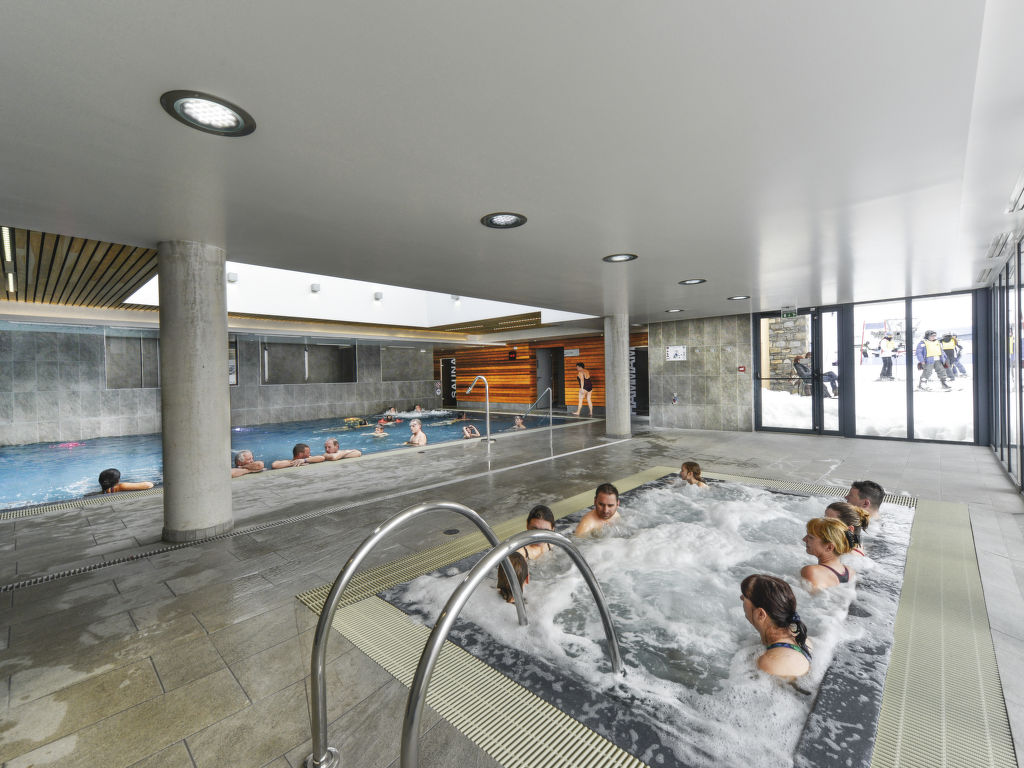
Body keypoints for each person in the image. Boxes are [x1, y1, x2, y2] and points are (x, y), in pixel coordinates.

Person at [740, 574, 811, 680]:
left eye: (745, 596)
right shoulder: (800, 637)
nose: (741, 598)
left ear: (761, 614)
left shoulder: (773, 663)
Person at [800, 517, 855, 590]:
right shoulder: (850, 571)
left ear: (829, 547)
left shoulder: (811, 571)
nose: (804, 539)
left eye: (810, 537)